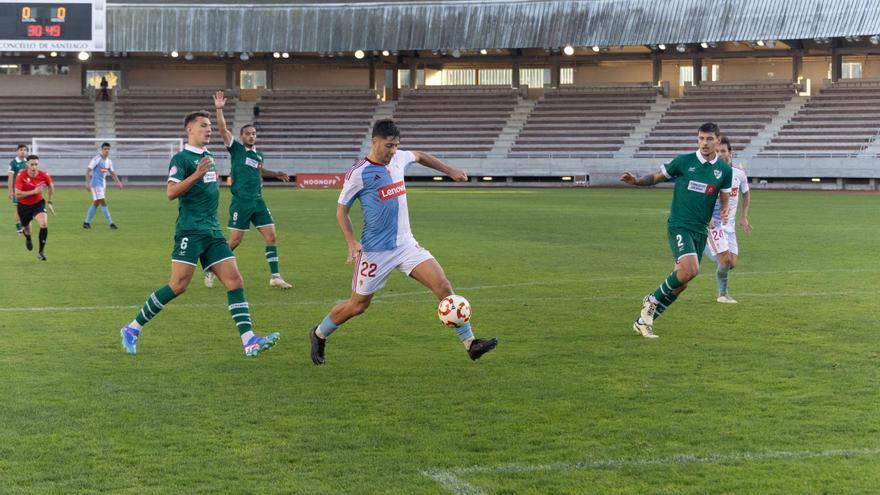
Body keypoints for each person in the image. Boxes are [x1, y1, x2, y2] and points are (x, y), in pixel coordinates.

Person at [308, 119, 498, 365]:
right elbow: (341, 211)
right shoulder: (359, 173)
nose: (393, 150)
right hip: (375, 251)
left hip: (406, 245)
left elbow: (420, 155)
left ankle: (470, 343)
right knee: (358, 305)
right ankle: (319, 333)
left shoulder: (398, 159)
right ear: (374, 142)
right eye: (389, 145)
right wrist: (351, 242)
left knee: (443, 286)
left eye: (396, 145)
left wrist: (449, 170)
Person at [119, 109, 280, 357]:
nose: (209, 130)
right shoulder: (181, 159)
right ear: (190, 129)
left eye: (210, 127)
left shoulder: (209, 156)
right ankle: (132, 328)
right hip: (190, 230)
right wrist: (196, 175)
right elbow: (171, 193)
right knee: (178, 285)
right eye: (204, 126)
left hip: (213, 231)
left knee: (235, 280)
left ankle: (249, 341)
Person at [620, 122, 733, 338]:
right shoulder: (684, 161)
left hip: (700, 230)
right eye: (701, 138)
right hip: (680, 225)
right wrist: (636, 181)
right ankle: (651, 299)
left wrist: (724, 209)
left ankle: (643, 322)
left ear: (718, 140)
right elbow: (656, 177)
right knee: (691, 270)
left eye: (709, 139)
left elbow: (724, 195)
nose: (704, 143)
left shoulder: (724, 170)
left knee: (682, 283)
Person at [203, 91, 293, 290]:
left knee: (271, 237)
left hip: (258, 201)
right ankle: (211, 266)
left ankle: (275, 277)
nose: (251, 136)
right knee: (235, 241)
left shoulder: (258, 154)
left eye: (254, 134)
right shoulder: (236, 149)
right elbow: (223, 129)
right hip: (241, 202)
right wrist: (219, 109)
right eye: (248, 134)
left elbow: (259, 170)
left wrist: (276, 174)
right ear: (241, 136)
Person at [704, 136, 752, 303]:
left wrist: (744, 217)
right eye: (717, 151)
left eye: (723, 151)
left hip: (729, 226)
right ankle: (722, 295)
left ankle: (703, 248)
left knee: (731, 263)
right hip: (714, 224)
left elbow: (746, 193)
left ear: (730, 152)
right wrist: (709, 216)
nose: (719, 154)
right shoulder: (710, 172)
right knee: (724, 260)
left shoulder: (739, 173)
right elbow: (703, 197)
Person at [14, 155, 54, 261]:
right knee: (27, 230)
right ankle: (28, 238)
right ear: (27, 164)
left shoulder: (44, 175)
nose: (34, 167)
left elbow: (51, 186)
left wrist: (50, 201)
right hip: (23, 206)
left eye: (36, 164)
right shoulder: (21, 175)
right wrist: (34, 191)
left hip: (38, 204)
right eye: (32, 164)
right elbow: (17, 194)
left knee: (43, 224)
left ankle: (41, 252)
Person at [83, 142, 123, 229]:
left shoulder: (109, 161)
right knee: (103, 202)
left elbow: (112, 173)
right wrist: (87, 184)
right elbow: (88, 170)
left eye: (108, 149)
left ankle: (86, 222)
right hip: (96, 184)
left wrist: (118, 182)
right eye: (105, 149)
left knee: (96, 203)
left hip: (103, 185)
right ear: (102, 150)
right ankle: (111, 223)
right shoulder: (96, 159)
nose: (107, 151)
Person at [8, 144, 27, 234]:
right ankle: (19, 229)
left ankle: (24, 226)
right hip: (17, 191)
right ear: (17, 151)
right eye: (21, 150)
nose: (23, 151)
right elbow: (10, 178)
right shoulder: (13, 163)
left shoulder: (27, 162)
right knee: (17, 210)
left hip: (26, 191)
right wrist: (10, 191)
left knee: (27, 209)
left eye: (24, 150)